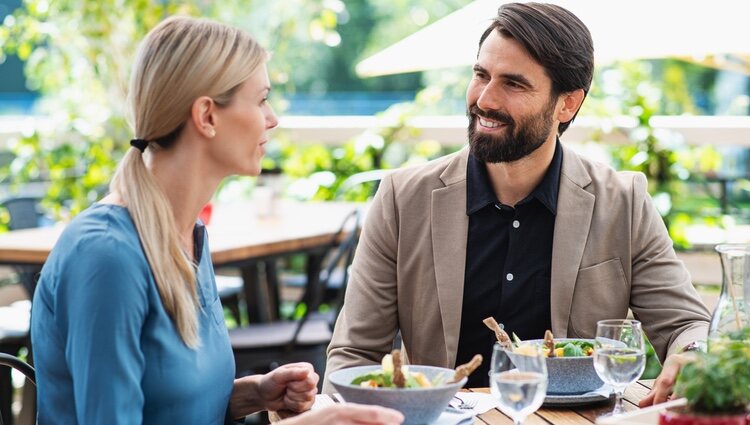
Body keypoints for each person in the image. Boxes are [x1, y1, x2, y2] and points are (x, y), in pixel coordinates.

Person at [324, 2, 710, 406]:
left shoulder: (623, 202)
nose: (485, 99)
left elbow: (685, 324)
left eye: (514, 84)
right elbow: (354, 355)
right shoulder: (403, 199)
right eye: (481, 75)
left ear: (568, 104)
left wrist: (695, 356)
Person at [30, 16, 403, 425]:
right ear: (207, 116)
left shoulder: (188, 234)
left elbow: (166, 404)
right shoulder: (106, 255)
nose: (272, 118)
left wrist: (248, 395)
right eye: (261, 99)